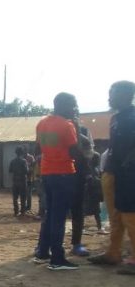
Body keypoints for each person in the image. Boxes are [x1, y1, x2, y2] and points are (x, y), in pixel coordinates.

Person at [34, 92, 84, 271]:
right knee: (59, 217)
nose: (75, 109)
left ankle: (42, 252)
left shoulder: (42, 123)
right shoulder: (67, 125)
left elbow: (38, 147)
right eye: (73, 105)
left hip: (47, 173)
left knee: (50, 214)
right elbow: (74, 152)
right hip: (64, 174)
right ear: (64, 105)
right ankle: (57, 258)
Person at [89, 80, 135, 274]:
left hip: (129, 174)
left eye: (113, 93)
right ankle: (113, 253)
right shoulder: (115, 118)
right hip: (111, 172)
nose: (109, 97)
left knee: (130, 215)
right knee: (115, 215)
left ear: (126, 95)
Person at [70, 126, 95, 256]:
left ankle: (45, 246)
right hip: (66, 177)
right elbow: (89, 156)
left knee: (75, 212)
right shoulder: (82, 139)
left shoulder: (82, 139)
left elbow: (89, 156)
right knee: (76, 213)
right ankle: (75, 244)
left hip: (70, 178)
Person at [9, 146, 29, 216]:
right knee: (23, 197)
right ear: (22, 153)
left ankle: (16, 211)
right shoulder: (24, 161)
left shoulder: (12, 161)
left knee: (15, 197)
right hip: (22, 180)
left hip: (15, 180)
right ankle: (22, 211)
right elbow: (26, 171)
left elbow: (10, 171)